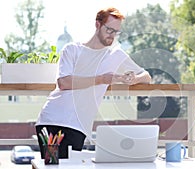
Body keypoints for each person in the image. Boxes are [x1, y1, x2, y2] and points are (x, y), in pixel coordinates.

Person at [35, 7, 152, 159]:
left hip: (77, 126)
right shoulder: (72, 49)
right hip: (51, 120)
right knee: (52, 166)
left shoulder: (115, 54)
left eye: (116, 32)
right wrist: (101, 79)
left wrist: (134, 79)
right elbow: (64, 82)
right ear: (97, 24)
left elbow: (147, 76)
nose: (113, 36)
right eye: (109, 30)